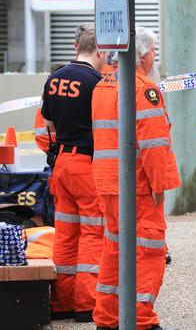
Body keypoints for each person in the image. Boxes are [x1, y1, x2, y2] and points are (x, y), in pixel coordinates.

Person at [91, 27, 180, 330]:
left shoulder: (103, 85)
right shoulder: (143, 88)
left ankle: (107, 315)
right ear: (142, 54)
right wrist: (159, 185)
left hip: (108, 182)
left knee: (114, 249)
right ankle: (141, 319)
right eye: (154, 50)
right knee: (148, 251)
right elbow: (154, 145)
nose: (155, 56)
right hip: (138, 187)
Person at [40, 22, 108, 323]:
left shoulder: (54, 78)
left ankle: (61, 302)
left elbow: (49, 125)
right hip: (86, 164)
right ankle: (86, 303)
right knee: (93, 232)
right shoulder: (97, 82)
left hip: (62, 165)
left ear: (76, 46)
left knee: (66, 234)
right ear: (101, 50)